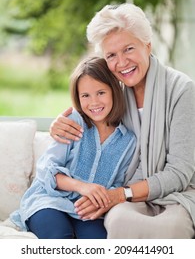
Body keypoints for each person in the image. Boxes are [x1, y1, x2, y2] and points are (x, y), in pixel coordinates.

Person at [50, 3, 195, 239]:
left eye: (129, 49)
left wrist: (117, 195)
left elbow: (179, 172)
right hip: (128, 192)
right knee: (117, 219)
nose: (122, 62)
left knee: (171, 228)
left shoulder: (181, 89)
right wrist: (59, 122)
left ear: (147, 46)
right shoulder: (112, 92)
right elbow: (87, 109)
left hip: (177, 193)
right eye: (111, 55)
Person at [10, 56, 136, 239]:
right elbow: (47, 170)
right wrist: (82, 187)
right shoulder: (73, 122)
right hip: (48, 201)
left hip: (87, 211)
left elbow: (118, 182)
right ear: (77, 97)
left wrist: (101, 199)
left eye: (101, 92)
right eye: (85, 95)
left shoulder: (128, 141)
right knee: (60, 237)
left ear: (114, 90)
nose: (94, 102)